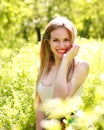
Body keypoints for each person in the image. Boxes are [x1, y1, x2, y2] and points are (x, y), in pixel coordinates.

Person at [36, 16, 89, 130]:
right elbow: (40, 107)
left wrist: (65, 60)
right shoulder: (43, 67)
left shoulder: (81, 66)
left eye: (66, 40)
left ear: (72, 41)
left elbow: (59, 101)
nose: (62, 46)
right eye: (56, 40)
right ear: (48, 42)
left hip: (73, 125)